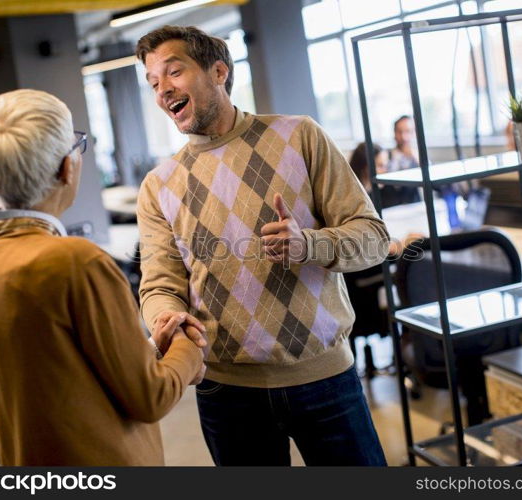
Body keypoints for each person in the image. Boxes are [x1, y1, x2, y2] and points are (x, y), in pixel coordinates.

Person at [135, 26, 390, 466]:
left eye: (173, 72)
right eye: (154, 83)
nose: (163, 91)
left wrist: (307, 244)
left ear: (218, 71)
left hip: (326, 378)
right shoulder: (158, 186)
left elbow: (374, 238)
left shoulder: (300, 136)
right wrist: (163, 316)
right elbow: (159, 283)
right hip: (226, 392)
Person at [0, 89, 206, 466]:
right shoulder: (77, 262)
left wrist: (152, 348)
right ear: (66, 168)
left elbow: (64, 376)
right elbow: (150, 396)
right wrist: (189, 346)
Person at [381, 115, 421, 206]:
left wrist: (418, 160)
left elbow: (436, 186)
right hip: (389, 208)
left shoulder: (418, 157)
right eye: (399, 132)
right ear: (394, 133)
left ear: (413, 133)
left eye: (407, 131)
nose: (403, 137)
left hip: (413, 207)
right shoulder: (384, 157)